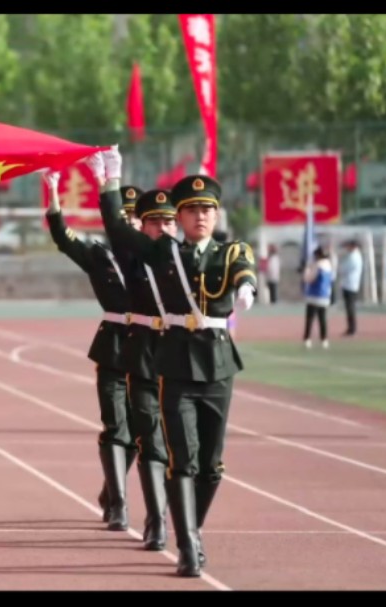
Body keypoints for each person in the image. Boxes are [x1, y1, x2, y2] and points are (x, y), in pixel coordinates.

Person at [95, 146, 257, 578]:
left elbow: (244, 271)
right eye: (191, 210)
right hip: (174, 364)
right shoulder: (163, 253)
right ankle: (187, 545)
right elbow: (117, 228)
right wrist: (111, 180)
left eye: (207, 209)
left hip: (219, 362)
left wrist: (248, 291)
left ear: (217, 215)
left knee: (212, 465)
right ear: (179, 218)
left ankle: (192, 527)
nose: (200, 216)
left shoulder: (231, 251)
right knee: (180, 459)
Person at [43, 171, 140, 533]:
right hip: (114, 344)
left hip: (150, 348)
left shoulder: (157, 256)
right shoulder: (98, 255)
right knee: (116, 426)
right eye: (123, 215)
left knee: (140, 432)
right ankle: (118, 503)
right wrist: (53, 191)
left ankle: (110, 487)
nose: (127, 221)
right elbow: (62, 238)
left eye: (133, 216)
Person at [117, 188, 180, 551]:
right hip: (143, 355)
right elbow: (115, 228)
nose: (161, 227)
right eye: (154, 221)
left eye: (168, 220)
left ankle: (181, 519)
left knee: (183, 448)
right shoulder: (130, 259)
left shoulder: (192, 260)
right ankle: (157, 520)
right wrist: (109, 180)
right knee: (151, 441)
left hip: (182, 359)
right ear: (141, 226)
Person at [303, 245, 333, 349]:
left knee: (310, 318)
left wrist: (306, 271)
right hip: (325, 295)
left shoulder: (317, 265)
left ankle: (307, 339)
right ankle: (324, 339)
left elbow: (310, 279)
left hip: (314, 295)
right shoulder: (329, 265)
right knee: (322, 318)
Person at [338, 240, 362, 336]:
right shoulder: (352, 256)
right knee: (349, 308)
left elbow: (344, 269)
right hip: (348, 284)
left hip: (351, 285)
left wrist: (340, 267)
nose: (347, 248)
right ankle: (351, 327)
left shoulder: (354, 257)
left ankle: (352, 329)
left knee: (350, 307)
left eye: (348, 246)